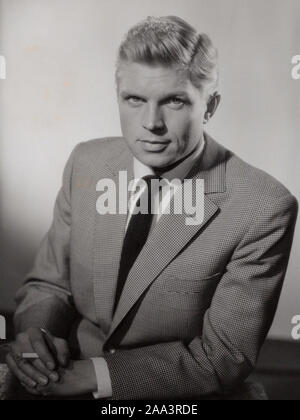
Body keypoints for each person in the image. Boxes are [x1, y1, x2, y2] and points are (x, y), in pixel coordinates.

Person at [6, 15, 298, 400]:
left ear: (209, 106)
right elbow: (48, 283)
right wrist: (37, 338)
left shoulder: (263, 207)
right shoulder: (87, 163)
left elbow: (223, 357)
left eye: (174, 101)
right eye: (134, 100)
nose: (151, 123)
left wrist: (94, 376)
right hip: (59, 376)